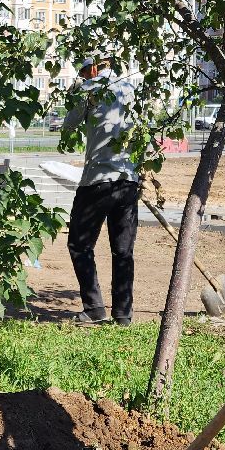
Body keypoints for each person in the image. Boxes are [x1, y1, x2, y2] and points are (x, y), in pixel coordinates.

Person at [65, 54, 142, 326]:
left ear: (94, 68)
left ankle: (95, 308)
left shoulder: (88, 89)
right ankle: (123, 315)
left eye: (85, 73)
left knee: (79, 243)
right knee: (123, 251)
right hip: (129, 181)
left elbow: (69, 126)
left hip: (97, 180)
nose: (85, 77)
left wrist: (74, 94)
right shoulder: (132, 90)